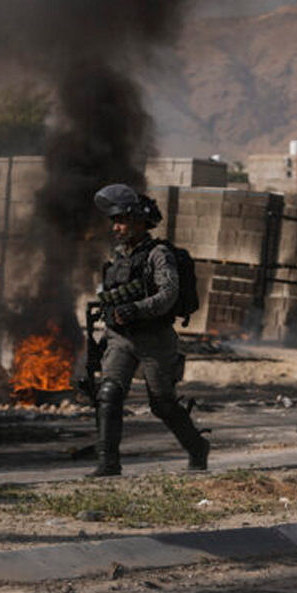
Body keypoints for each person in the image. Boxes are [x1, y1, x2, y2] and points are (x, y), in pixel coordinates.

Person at [88, 183, 209, 477]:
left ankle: (197, 447)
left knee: (163, 404)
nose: (116, 228)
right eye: (114, 222)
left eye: (122, 221)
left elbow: (168, 294)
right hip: (121, 338)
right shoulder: (119, 258)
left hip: (154, 338)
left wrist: (137, 309)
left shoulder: (158, 254)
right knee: (109, 394)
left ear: (140, 222)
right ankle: (108, 463)